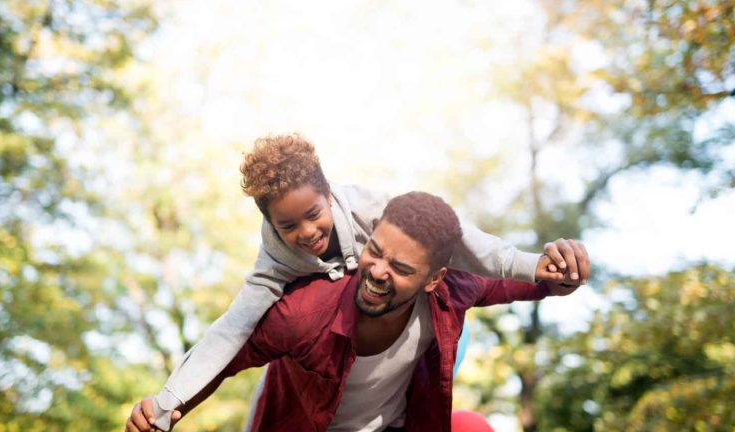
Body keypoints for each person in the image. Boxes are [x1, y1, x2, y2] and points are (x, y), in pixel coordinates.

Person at [144, 134, 590, 430]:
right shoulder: (296, 304)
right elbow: (229, 341)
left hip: (391, 423)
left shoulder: (376, 212)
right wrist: (165, 407)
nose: (377, 271)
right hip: (306, 414)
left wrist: (547, 272)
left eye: (401, 268)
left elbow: (480, 259)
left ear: (435, 278)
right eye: (374, 253)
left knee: (470, 424)